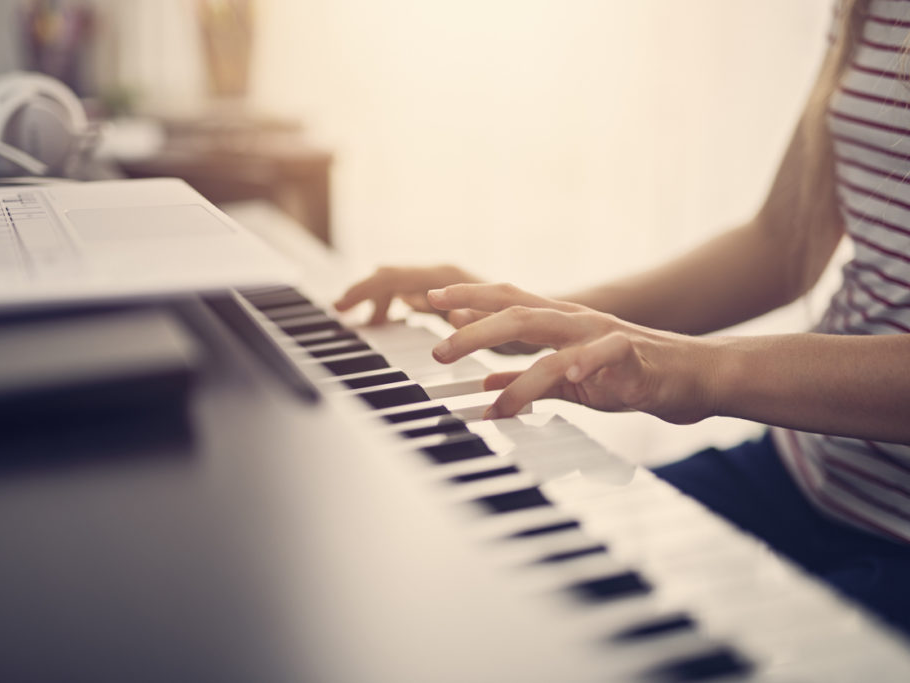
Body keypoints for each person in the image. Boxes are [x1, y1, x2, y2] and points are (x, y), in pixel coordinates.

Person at [333, 0, 910, 636]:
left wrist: (704, 372)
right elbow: (782, 242)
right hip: (807, 469)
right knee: (498, 587)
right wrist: (541, 317)